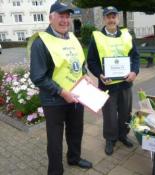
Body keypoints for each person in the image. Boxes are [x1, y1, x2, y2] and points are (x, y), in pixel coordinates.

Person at [29, 1, 92, 175]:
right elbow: (37, 77)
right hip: (54, 100)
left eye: (67, 16)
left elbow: (80, 63)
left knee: (76, 130)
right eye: (60, 16)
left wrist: (85, 74)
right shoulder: (40, 43)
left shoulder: (72, 38)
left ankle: (74, 158)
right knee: (55, 139)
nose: (65, 20)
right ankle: (55, 170)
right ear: (50, 18)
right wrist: (62, 92)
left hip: (77, 96)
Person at [87, 6, 140, 155]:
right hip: (107, 84)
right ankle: (110, 139)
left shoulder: (126, 35)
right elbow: (91, 61)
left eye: (113, 17)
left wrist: (134, 72)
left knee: (125, 112)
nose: (111, 20)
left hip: (125, 83)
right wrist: (99, 75)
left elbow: (135, 57)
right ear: (104, 19)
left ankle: (123, 135)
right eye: (108, 17)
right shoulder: (96, 37)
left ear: (118, 19)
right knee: (109, 114)